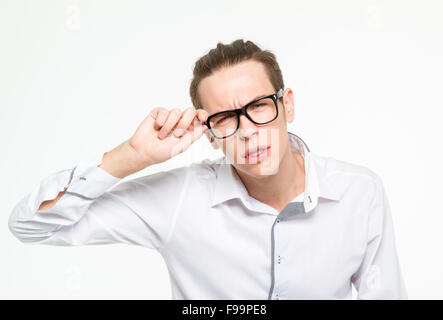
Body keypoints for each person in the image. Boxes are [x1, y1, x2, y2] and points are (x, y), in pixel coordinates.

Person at [8, 39, 407, 300]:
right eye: (225, 119)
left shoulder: (359, 192)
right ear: (210, 134)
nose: (248, 132)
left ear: (287, 105)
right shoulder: (180, 198)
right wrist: (132, 156)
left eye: (259, 107)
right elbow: (32, 225)